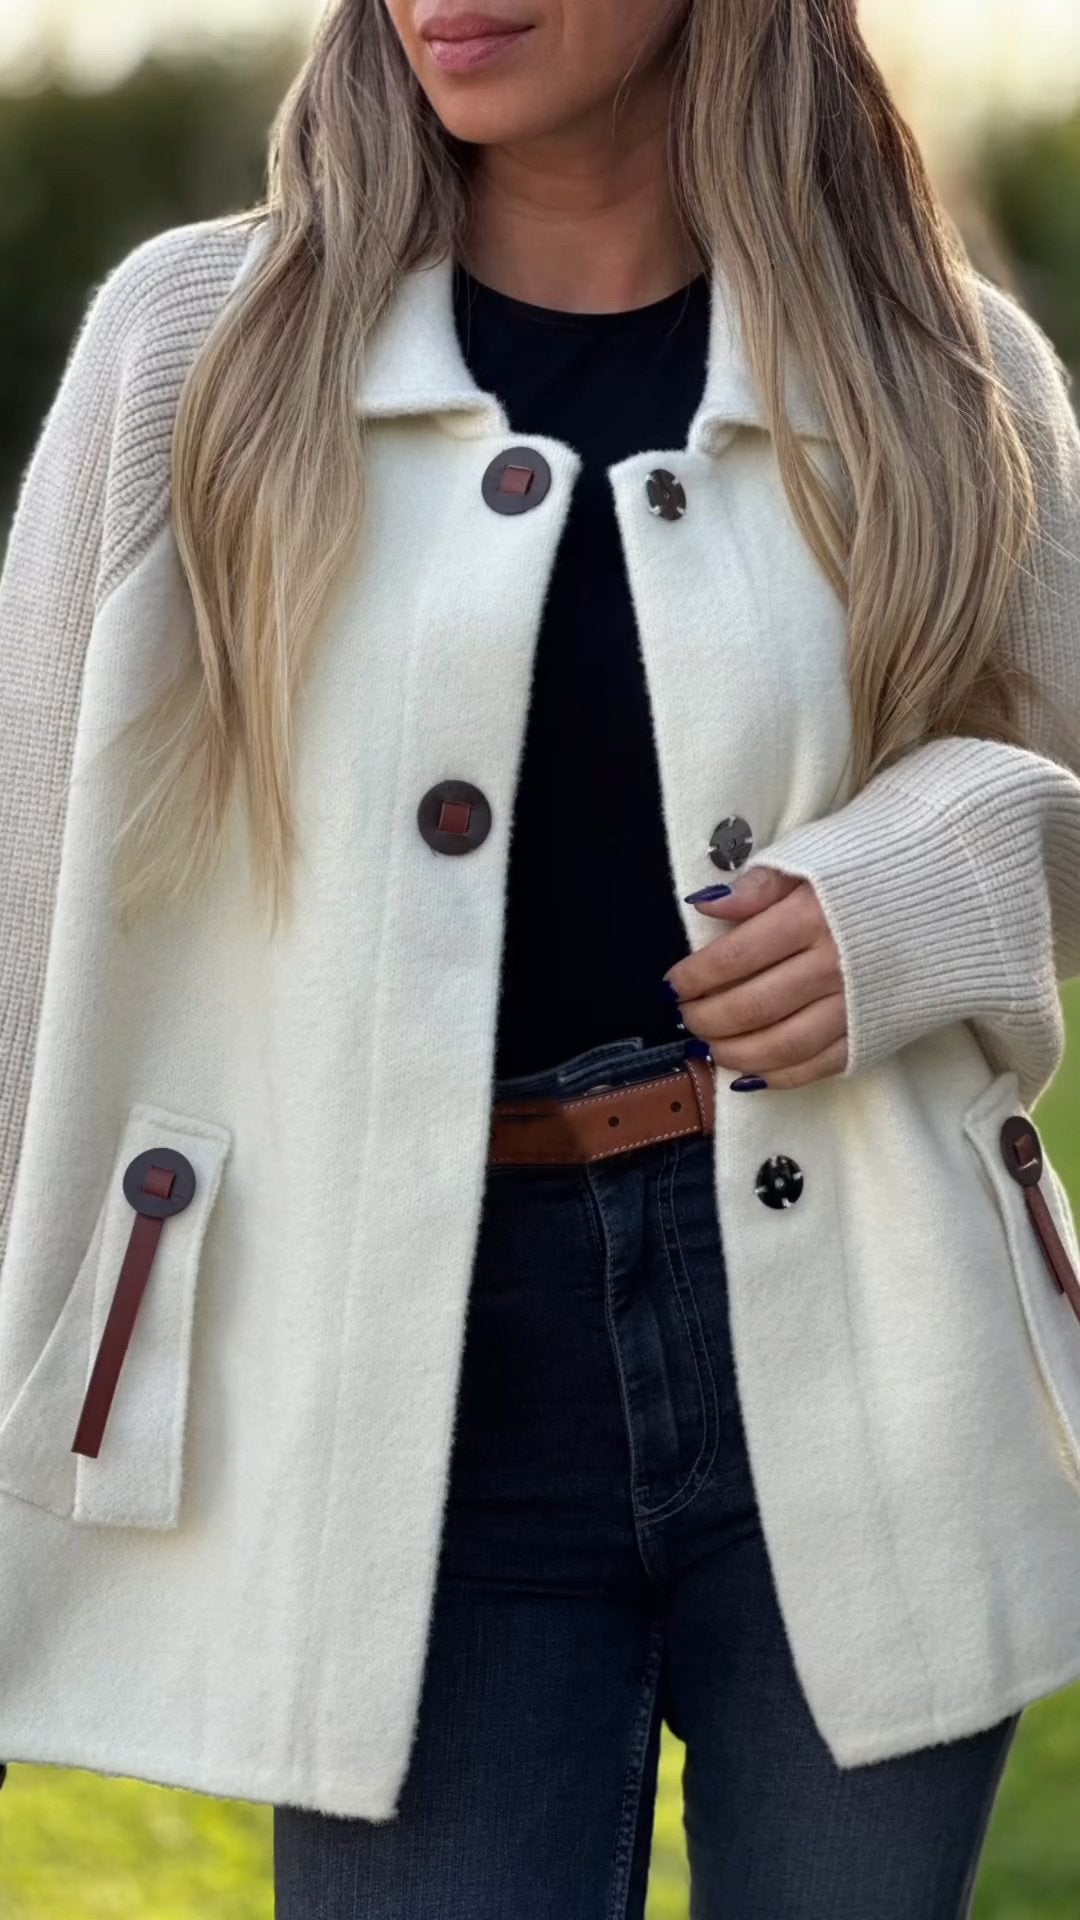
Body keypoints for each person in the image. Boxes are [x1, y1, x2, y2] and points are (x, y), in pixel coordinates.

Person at [1, 0, 1079, 1913]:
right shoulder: (203, 340)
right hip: (397, 1384)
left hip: (883, 1333)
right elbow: (25, 884)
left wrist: (926, 871)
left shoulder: (946, 365)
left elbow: (1054, 800)